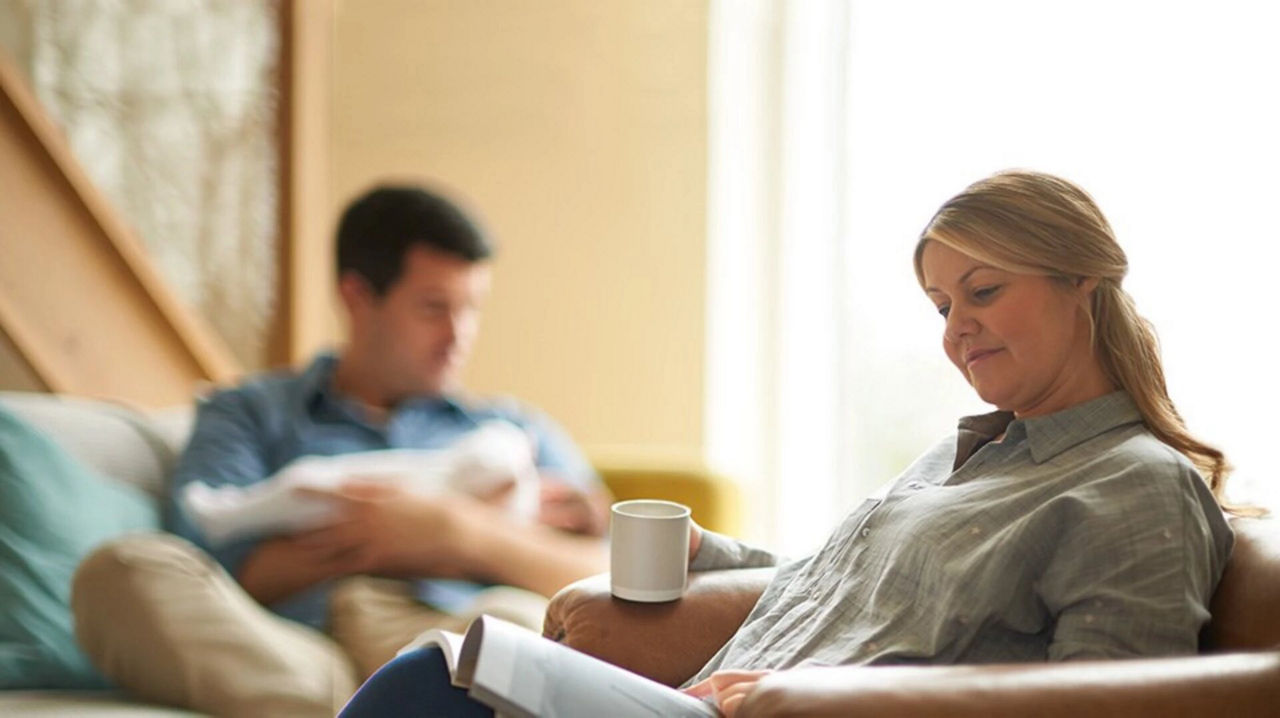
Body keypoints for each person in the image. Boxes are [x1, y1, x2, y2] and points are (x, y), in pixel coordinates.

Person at [339, 170, 1237, 717]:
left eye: (984, 292)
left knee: (434, 687)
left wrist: (829, 699)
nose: (957, 329)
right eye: (941, 307)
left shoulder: (1137, 490)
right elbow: (848, 583)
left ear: (1080, 279)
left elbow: (1108, 703)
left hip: (782, 713)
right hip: (709, 702)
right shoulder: (969, 456)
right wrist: (710, 554)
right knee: (446, 674)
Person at [71, 184, 612, 716]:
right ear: (357, 297)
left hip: (455, 632)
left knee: (514, 626)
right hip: (297, 652)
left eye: (471, 308)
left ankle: (385, 706)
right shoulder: (249, 411)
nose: (459, 334)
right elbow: (207, 557)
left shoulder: (510, 429)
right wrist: (372, 537)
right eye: (433, 309)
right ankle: (393, 708)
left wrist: (455, 532)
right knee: (119, 573)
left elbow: (609, 572)